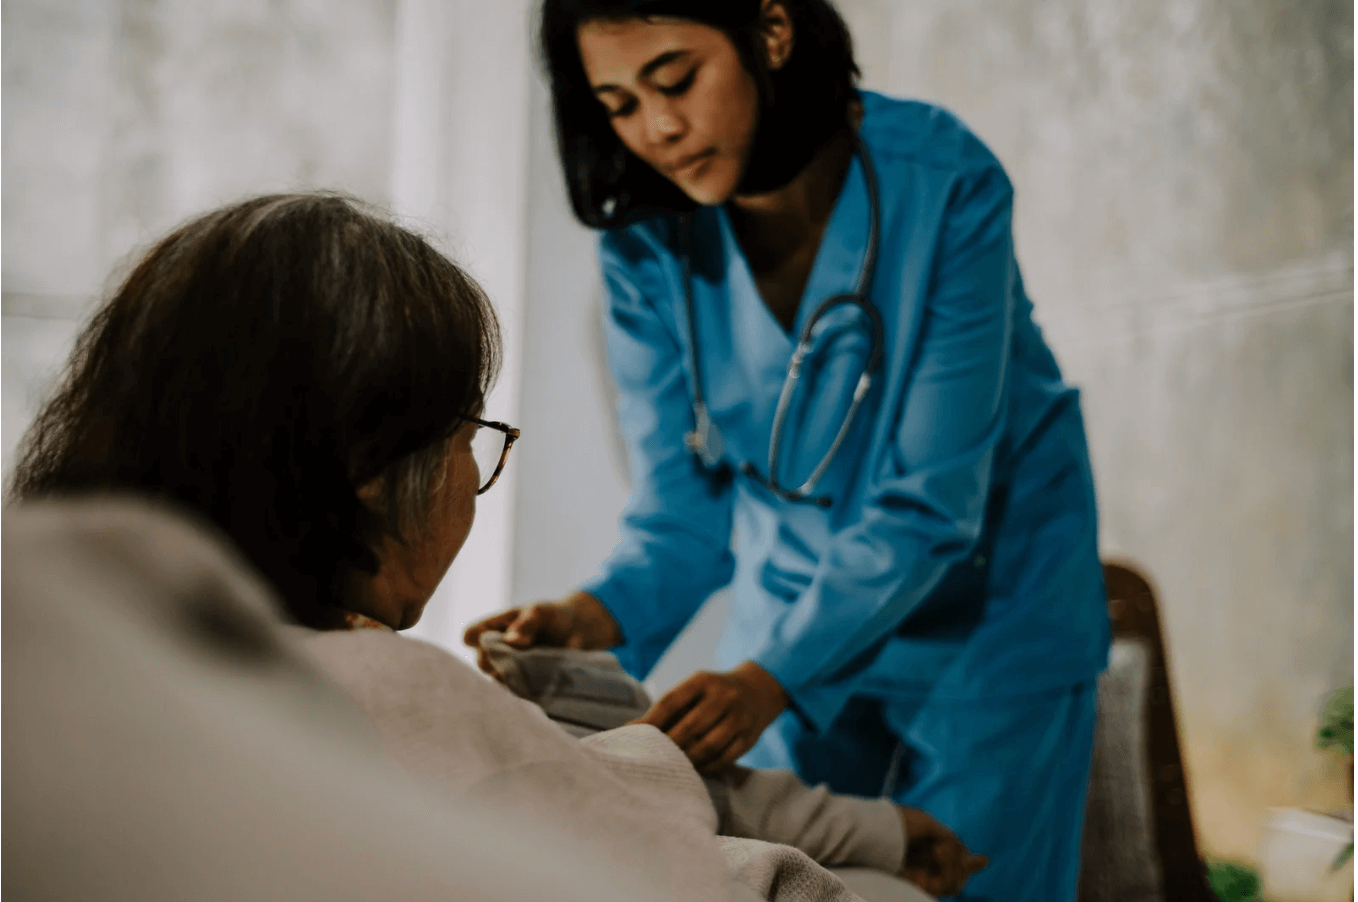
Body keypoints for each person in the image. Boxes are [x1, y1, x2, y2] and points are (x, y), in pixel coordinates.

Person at [8, 192, 983, 901]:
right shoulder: (389, 691)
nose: (658, 129)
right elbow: (653, 826)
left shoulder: (73, 677)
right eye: (471, 440)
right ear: (368, 466)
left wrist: (608, 633)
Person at [464, 2, 1112, 900]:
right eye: (616, 103)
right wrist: (596, 614)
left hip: (988, 613)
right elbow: (684, 507)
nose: (657, 129)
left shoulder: (943, 183)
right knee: (800, 880)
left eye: (676, 78)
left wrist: (773, 677)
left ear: (770, 29)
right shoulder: (646, 242)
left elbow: (931, 503)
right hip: (793, 610)